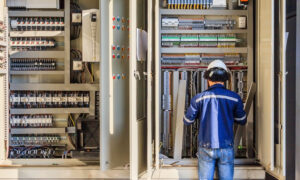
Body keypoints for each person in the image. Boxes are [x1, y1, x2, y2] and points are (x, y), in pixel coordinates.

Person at [183, 60, 247, 180]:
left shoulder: (198, 99)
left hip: (206, 147)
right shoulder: (234, 98)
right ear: (225, 79)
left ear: (208, 78)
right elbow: (242, 120)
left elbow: (187, 120)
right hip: (226, 147)